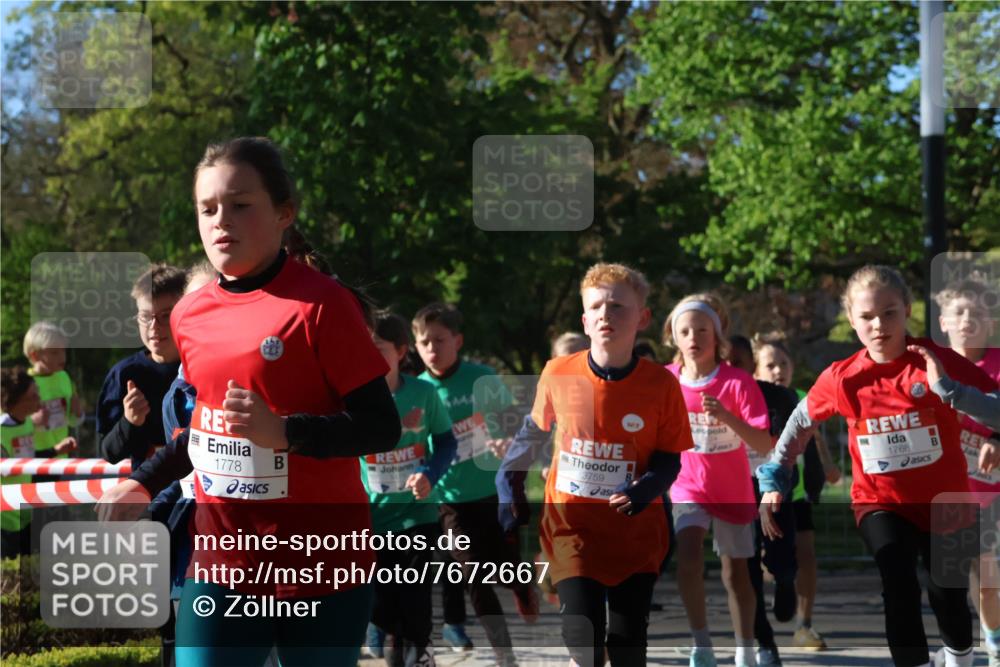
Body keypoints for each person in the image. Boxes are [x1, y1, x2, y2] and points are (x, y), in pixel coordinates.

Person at [96, 136, 401, 666]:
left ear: (284, 213)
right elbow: (206, 431)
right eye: (208, 208)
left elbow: (381, 426)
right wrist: (143, 481)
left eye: (240, 206)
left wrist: (287, 432)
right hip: (222, 561)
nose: (221, 221)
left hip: (321, 563)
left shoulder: (323, 306)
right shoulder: (189, 315)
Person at [758, 265, 1000, 667]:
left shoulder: (935, 360)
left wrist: (951, 391)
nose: (879, 325)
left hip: (946, 502)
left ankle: (959, 658)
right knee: (898, 583)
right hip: (879, 501)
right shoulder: (843, 377)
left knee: (947, 592)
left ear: (907, 310)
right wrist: (774, 477)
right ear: (852, 320)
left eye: (889, 313)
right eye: (867, 316)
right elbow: (800, 422)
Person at [498, 262, 693, 667]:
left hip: (636, 536)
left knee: (627, 647)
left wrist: (644, 490)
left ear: (642, 318)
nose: (607, 314)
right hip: (573, 530)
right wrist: (508, 483)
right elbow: (532, 433)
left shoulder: (662, 385)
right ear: (585, 320)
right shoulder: (557, 372)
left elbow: (670, 460)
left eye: (618, 306)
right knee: (582, 642)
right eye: (598, 307)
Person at [412, 302, 537, 666]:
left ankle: (520, 583)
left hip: (491, 491)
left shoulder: (482, 378)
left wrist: (506, 441)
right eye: (424, 342)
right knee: (474, 575)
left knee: (504, 562)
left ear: (458, 340)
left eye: (439, 340)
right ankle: (505, 654)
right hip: (450, 501)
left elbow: (514, 422)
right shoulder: (419, 390)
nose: (432, 349)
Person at [664, 295, 772, 667]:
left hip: (731, 488)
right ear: (673, 337)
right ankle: (702, 645)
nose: (693, 337)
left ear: (717, 337)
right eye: (685, 331)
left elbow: (764, 443)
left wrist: (727, 416)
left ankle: (744, 650)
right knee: (688, 555)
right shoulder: (666, 380)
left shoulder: (738, 382)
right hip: (686, 485)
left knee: (736, 573)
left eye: (702, 330)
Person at [363, 310, 457, 667]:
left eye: (379, 348)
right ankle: (386, 633)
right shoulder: (353, 400)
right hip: (370, 520)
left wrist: (430, 474)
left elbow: (446, 441)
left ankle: (419, 654)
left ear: (401, 351)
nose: (371, 356)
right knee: (382, 605)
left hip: (416, 515)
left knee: (414, 597)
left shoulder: (423, 393)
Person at [751, 334, 840, 651]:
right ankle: (775, 584)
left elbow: (816, 438)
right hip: (762, 494)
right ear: (756, 369)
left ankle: (804, 624)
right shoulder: (753, 399)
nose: (778, 371)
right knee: (767, 557)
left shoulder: (802, 395)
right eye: (770, 365)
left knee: (807, 554)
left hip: (798, 490)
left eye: (783, 364)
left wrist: (828, 466)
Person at [934, 279, 1000, 667]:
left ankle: (994, 644)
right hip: (946, 491)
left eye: (976, 313)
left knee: (988, 578)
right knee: (950, 583)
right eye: (959, 312)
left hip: (990, 489)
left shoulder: (996, 366)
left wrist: (997, 436)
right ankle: (958, 648)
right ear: (943, 321)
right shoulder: (933, 366)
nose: (967, 320)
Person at [728, 335, 798, 667]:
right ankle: (764, 640)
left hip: (774, 489)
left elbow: (788, 448)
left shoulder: (779, 397)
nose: (730, 369)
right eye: (724, 362)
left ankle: (785, 581)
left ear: (751, 366)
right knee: (747, 565)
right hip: (733, 490)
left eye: (738, 362)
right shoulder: (713, 398)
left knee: (782, 556)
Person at [97, 264, 186, 470]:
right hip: (151, 496)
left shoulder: (206, 366)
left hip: (201, 492)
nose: (154, 327)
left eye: (165, 316)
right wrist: (130, 421)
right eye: (145, 317)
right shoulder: (125, 374)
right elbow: (108, 452)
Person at [1, 367, 75, 557]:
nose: (40, 399)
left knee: (28, 564)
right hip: (4, 515)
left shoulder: (26, 423)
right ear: (16, 400)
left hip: (23, 508)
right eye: (34, 395)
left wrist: (55, 450)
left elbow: (28, 458)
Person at [23, 322, 82, 462]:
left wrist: (78, 413)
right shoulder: (22, 384)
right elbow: (7, 425)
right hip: (34, 460)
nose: (62, 357)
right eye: (54, 352)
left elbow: (73, 421)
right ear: (34, 356)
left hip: (61, 459)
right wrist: (32, 422)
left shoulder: (64, 377)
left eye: (64, 350)